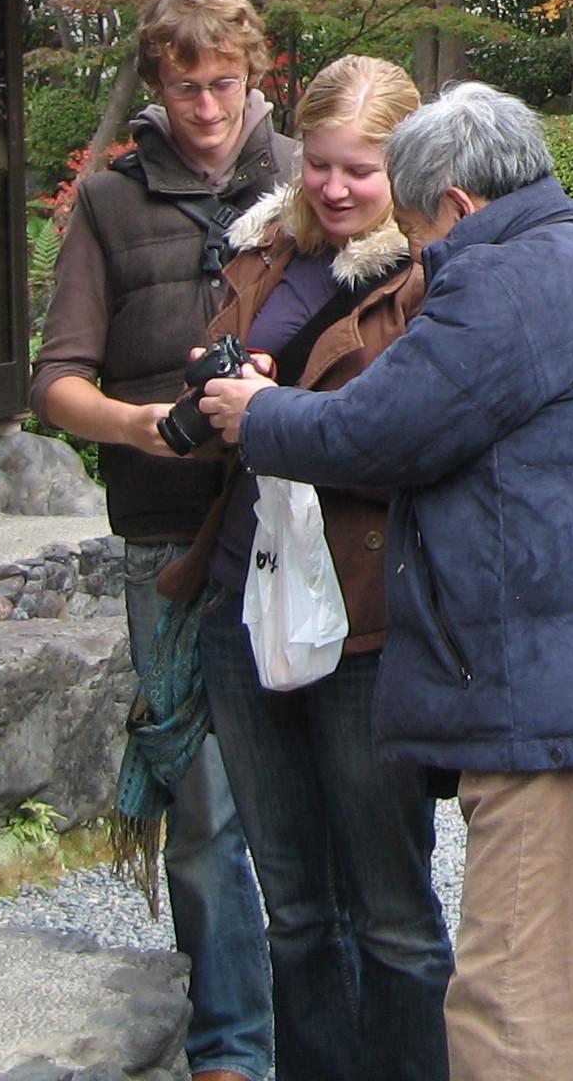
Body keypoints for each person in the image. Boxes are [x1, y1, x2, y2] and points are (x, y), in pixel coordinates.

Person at [201, 84, 573, 1081]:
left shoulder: (501, 282)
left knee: (512, 1011)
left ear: (457, 203)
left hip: (546, 706)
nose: (417, 248)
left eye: (415, 226)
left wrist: (256, 413)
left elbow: (378, 431)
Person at [161, 55, 452, 1081]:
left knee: (391, 910)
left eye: (359, 171)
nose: (332, 188)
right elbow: (213, 411)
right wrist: (217, 392)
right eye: (319, 164)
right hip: (245, 594)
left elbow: (425, 445)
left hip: (366, 614)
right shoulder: (265, 250)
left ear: (403, 171)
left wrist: (278, 416)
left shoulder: (435, 277)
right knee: (293, 905)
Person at [32, 0, 284, 1081]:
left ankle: (329, 1030)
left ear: (254, 73)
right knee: (204, 797)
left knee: (327, 785)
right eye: (187, 88)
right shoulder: (110, 200)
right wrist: (139, 426)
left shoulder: (308, 176)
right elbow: (56, 383)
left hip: (297, 523)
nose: (209, 107)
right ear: (155, 85)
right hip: (168, 532)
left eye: (225, 82)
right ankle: (228, 1046)